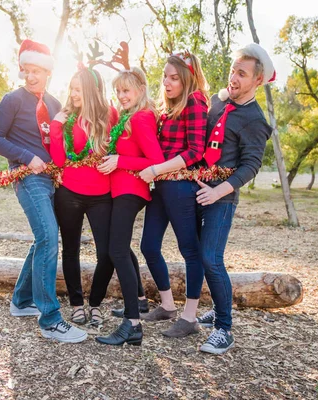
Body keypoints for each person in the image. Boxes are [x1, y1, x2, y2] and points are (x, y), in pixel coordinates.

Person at [0, 39, 87, 343]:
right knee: (47, 238)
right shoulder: (12, 100)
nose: (31, 77)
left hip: (54, 180)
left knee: (42, 237)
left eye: (37, 71)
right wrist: (28, 157)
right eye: (26, 71)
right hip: (27, 177)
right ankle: (51, 319)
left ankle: (21, 300)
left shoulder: (54, 104)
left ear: (48, 73)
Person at [195, 43, 274, 354]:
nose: (233, 78)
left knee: (211, 258)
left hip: (222, 197)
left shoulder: (255, 120)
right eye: (232, 71)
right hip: (197, 189)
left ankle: (224, 328)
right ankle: (218, 305)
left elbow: (251, 165)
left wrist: (218, 191)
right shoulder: (219, 103)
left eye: (242, 74)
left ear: (257, 80)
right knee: (201, 255)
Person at [138, 51, 210, 338]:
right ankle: (167, 305)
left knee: (190, 250)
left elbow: (195, 152)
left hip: (180, 185)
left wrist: (156, 169)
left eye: (174, 78)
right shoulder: (168, 107)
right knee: (149, 246)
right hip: (162, 185)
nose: (167, 83)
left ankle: (190, 317)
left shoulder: (195, 101)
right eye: (165, 76)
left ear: (187, 79)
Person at [95, 66, 165, 346]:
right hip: (118, 189)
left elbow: (156, 161)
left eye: (126, 90)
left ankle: (133, 324)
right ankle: (139, 301)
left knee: (117, 251)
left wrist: (120, 161)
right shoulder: (127, 117)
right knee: (120, 248)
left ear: (140, 90)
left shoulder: (143, 117)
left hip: (131, 190)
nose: (121, 96)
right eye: (118, 91)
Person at [49, 66, 118, 327]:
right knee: (71, 250)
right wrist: (57, 126)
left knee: (108, 253)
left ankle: (96, 303)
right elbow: (58, 160)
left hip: (102, 194)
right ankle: (77, 304)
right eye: (71, 89)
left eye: (78, 89)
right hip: (69, 193)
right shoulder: (67, 117)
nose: (73, 94)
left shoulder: (110, 114)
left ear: (90, 90)